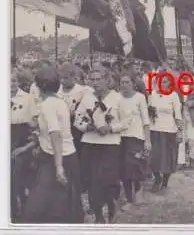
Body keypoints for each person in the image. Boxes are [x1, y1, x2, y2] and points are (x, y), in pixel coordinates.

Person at [22, 66, 84, 223]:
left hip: (56, 159)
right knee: (63, 205)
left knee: (42, 207)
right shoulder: (60, 101)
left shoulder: (47, 104)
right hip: (66, 156)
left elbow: (56, 134)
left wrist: (58, 166)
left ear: (41, 86)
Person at [74, 66, 124, 223]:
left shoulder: (117, 98)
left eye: (98, 79)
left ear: (107, 80)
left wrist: (110, 128)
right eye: (92, 79)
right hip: (90, 142)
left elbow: (127, 121)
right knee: (92, 179)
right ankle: (98, 215)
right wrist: (86, 127)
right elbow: (77, 119)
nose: (95, 83)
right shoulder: (87, 98)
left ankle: (112, 206)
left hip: (111, 143)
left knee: (108, 178)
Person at [117, 73, 151, 211]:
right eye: (122, 82)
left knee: (135, 166)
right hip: (121, 137)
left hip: (136, 137)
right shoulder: (117, 98)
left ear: (133, 83)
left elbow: (146, 120)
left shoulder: (140, 98)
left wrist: (147, 140)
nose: (124, 85)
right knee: (124, 169)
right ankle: (129, 198)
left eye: (127, 82)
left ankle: (137, 193)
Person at [148, 74, 184, 192]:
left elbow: (178, 115)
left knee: (168, 157)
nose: (161, 84)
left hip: (169, 130)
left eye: (164, 82)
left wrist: (179, 131)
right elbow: (149, 112)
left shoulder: (173, 96)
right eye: (159, 82)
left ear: (169, 83)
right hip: (155, 130)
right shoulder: (152, 94)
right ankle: (157, 179)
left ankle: (165, 182)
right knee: (154, 157)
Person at [10, 72, 38, 222]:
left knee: (17, 176)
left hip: (21, 141)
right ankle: (13, 211)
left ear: (18, 82)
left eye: (13, 80)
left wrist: (31, 142)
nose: (11, 84)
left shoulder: (27, 98)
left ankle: (23, 208)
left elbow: (34, 122)